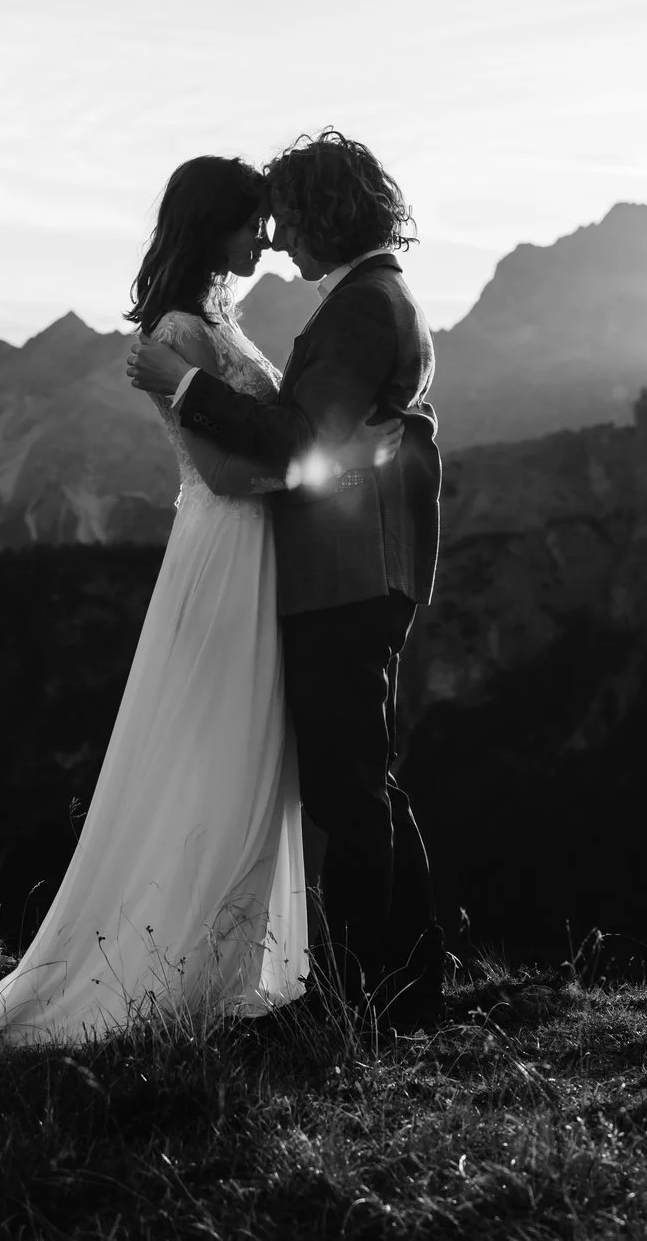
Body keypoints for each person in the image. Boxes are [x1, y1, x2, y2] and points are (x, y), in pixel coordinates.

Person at [0, 155, 387, 1047]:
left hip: (255, 555)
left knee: (245, 753)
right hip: (229, 551)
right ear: (211, 228)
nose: (263, 241)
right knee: (217, 747)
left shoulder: (211, 320)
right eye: (248, 226)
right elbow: (230, 473)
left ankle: (222, 961)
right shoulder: (179, 335)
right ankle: (172, 965)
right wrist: (328, 470)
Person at [124, 131, 444, 1025]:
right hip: (345, 566)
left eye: (290, 220)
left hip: (347, 572)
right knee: (362, 779)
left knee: (350, 788)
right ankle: (405, 984)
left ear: (327, 218)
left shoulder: (359, 308)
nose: (278, 241)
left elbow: (302, 442)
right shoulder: (373, 296)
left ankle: (356, 992)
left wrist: (187, 389)